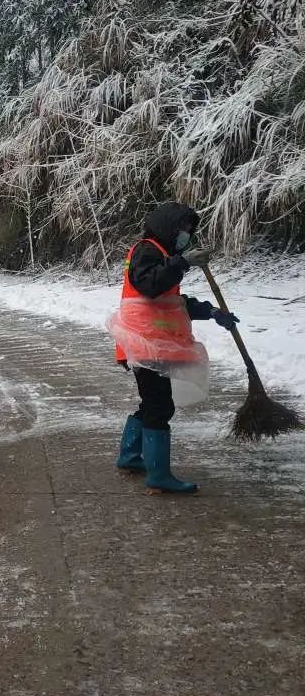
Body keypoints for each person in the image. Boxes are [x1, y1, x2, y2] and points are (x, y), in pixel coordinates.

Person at [109, 202, 239, 493]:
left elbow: (171, 302)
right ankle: (158, 477)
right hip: (142, 343)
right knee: (159, 405)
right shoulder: (148, 250)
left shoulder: (162, 254)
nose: (186, 236)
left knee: (152, 403)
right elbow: (149, 286)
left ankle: (130, 457)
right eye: (184, 230)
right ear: (170, 226)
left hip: (150, 344)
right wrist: (183, 263)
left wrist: (212, 312)